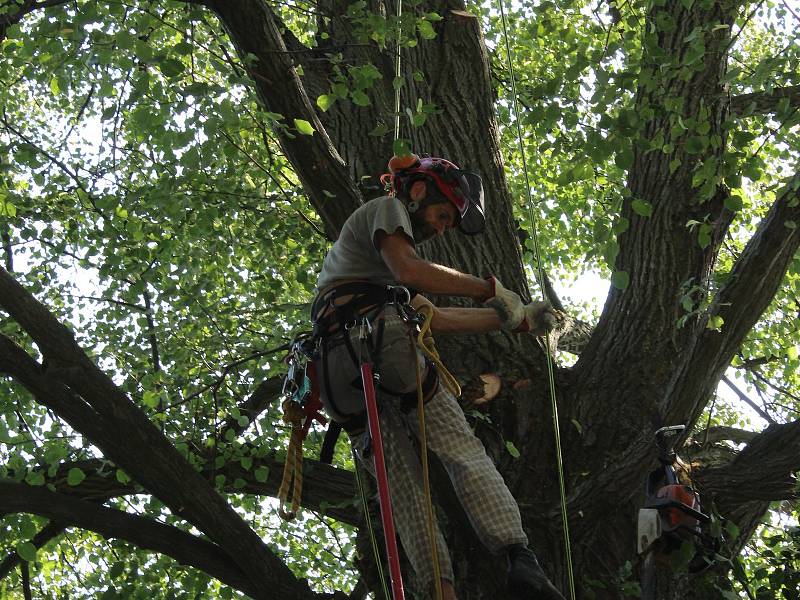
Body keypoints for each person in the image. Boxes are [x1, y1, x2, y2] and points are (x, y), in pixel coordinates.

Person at [311, 153, 566, 600]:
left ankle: (439, 590)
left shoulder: (373, 278)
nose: (442, 227)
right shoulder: (387, 212)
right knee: (459, 447)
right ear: (416, 190)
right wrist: (490, 288)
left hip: (335, 372)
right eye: (442, 214)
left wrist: (514, 319)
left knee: (401, 485)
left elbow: (435, 320)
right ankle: (517, 555)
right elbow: (413, 273)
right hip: (379, 340)